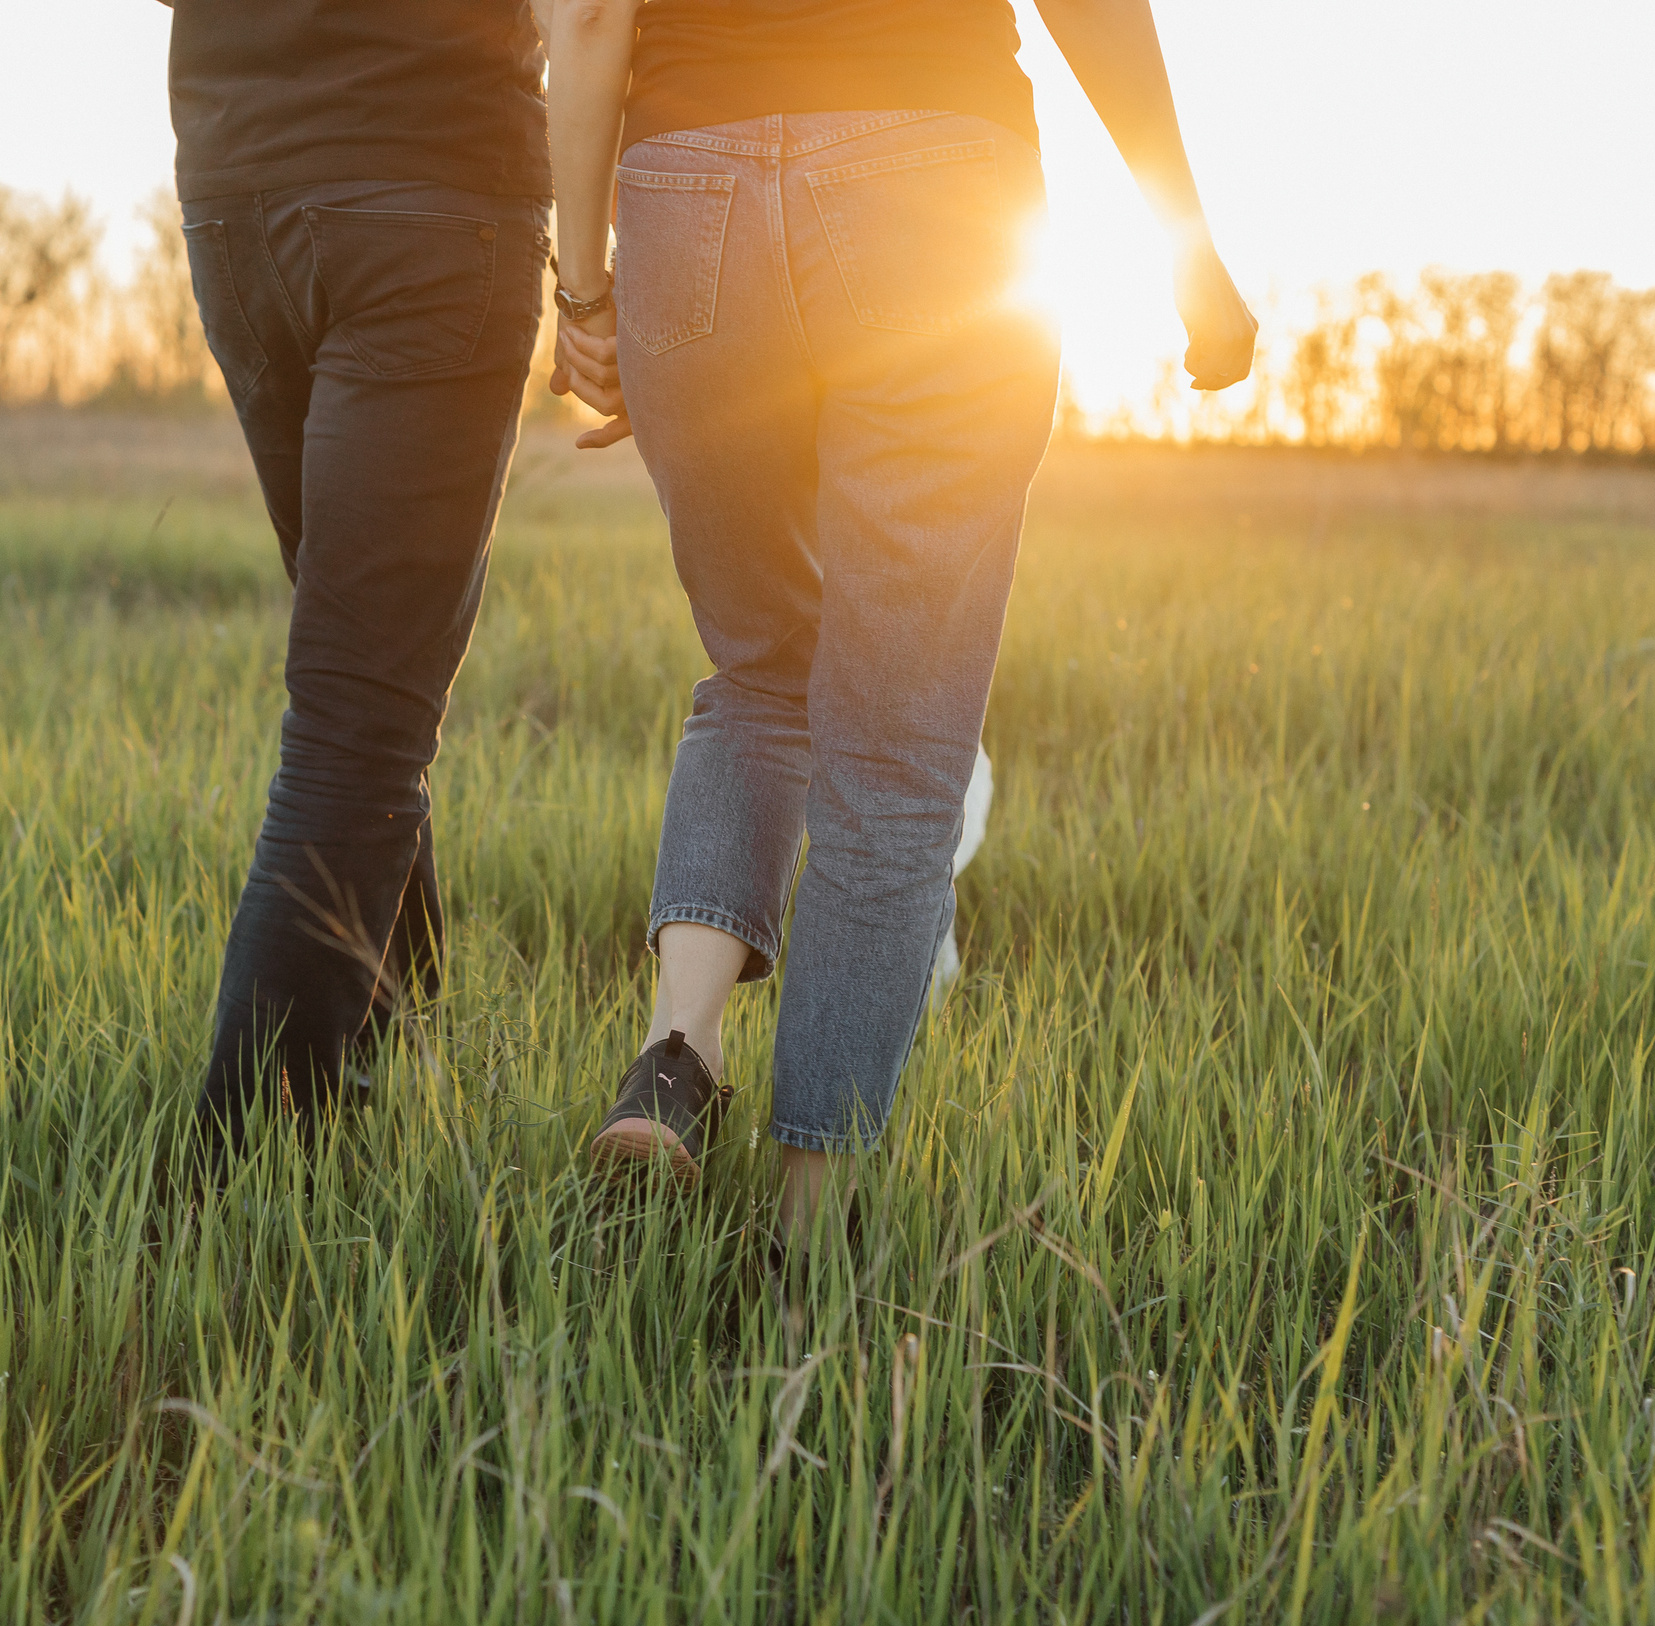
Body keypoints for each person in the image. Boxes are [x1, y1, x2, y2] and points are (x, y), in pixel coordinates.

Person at [534, 0, 1256, 1233]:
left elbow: (592, 13)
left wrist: (588, 291)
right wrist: (1186, 248)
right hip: (934, 182)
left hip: (685, 191)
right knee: (897, 746)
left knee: (758, 664)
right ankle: (812, 1237)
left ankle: (677, 1050)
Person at [160, 0, 553, 1147]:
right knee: (361, 712)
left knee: (358, 660)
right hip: (433, 193)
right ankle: (234, 1185)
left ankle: (392, 1036)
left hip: (239, 195)